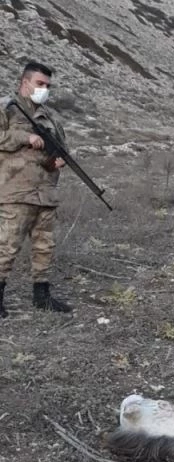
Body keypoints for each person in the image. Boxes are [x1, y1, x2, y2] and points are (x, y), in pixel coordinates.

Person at [0, 61, 72, 318]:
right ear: (24, 82)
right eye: (40, 84)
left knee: (45, 247)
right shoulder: (7, 109)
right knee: (6, 246)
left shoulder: (50, 118)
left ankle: (42, 296)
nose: (44, 89)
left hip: (45, 193)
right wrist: (24, 137)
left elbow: (59, 150)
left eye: (48, 86)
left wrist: (59, 160)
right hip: (16, 191)